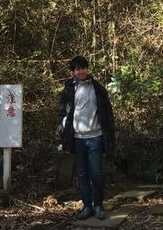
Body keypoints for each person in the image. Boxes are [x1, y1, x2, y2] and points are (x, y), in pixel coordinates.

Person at [58, 55, 115, 220]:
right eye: (77, 69)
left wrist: (109, 135)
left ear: (87, 69)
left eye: (83, 68)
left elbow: (107, 113)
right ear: (72, 72)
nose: (80, 71)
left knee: (96, 173)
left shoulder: (97, 88)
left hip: (95, 137)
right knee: (82, 174)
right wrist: (63, 134)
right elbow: (63, 112)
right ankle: (87, 206)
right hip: (77, 139)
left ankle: (98, 206)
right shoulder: (69, 89)